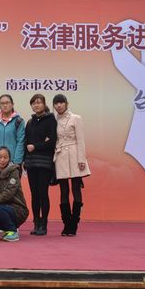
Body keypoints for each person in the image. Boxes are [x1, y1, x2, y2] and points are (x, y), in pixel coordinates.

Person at [53, 94, 91, 236]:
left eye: (61, 102)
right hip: (61, 155)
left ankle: (74, 223)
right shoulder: (54, 120)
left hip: (75, 155)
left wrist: (81, 159)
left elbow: (81, 140)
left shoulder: (76, 118)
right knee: (63, 190)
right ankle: (66, 223)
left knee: (76, 188)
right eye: (56, 103)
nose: (59, 105)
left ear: (66, 103)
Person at [23, 93, 58, 236]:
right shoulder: (30, 122)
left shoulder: (51, 120)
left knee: (43, 193)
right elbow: (26, 142)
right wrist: (24, 159)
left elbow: (52, 142)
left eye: (39, 102)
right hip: (31, 162)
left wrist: (36, 146)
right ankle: (36, 223)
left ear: (44, 104)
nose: (36, 105)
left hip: (44, 162)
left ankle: (44, 224)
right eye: (34, 103)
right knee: (34, 194)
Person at [0, 147, 29, 242]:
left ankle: (13, 231)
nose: (2, 160)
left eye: (5, 157)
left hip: (17, 210)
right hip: (0, 207)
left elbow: (8, 193)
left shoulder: (14, 171)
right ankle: (7, 228)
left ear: (9, 159)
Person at [0, 94, 25, 172]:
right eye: (2, 103)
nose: (5, 105)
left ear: (12, 104)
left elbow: (21, 142)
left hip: (12, 161)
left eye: (7, 103)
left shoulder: (19, 121)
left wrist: (17, 161)